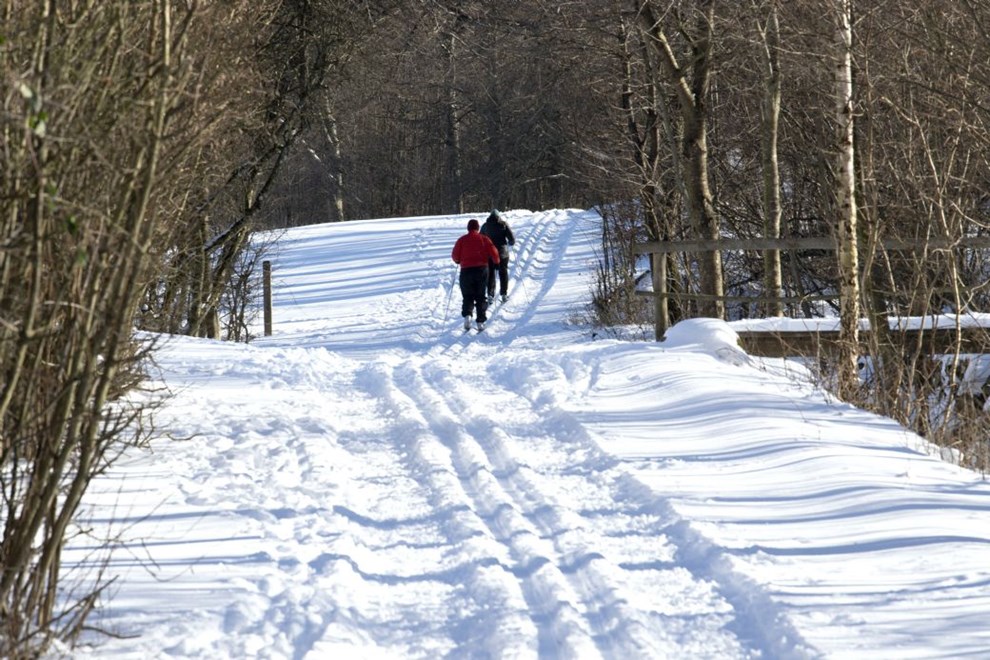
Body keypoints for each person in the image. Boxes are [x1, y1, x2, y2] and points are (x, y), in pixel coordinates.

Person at [451, 218, 500, 331]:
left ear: (468, 228)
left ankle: (468, 315)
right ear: (478, 228)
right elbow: (494, 251)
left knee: (467, 295)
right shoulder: (484, 238)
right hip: (481, 270)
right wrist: (497, 262)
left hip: (466, 271)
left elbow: (455, 255)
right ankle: (480, 321)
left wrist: (458, 260)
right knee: (480, 296)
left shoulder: (461, 240)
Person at [480, 209, 515, 303]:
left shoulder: (485, 226)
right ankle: (504, 294)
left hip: (489, 254)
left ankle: (490, 295)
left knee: (490, 274)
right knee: (503, 273)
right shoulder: (503, 224)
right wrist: (509, 243)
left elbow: (480, 239)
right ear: (499, 216)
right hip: (502, 254)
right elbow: (512, 239)